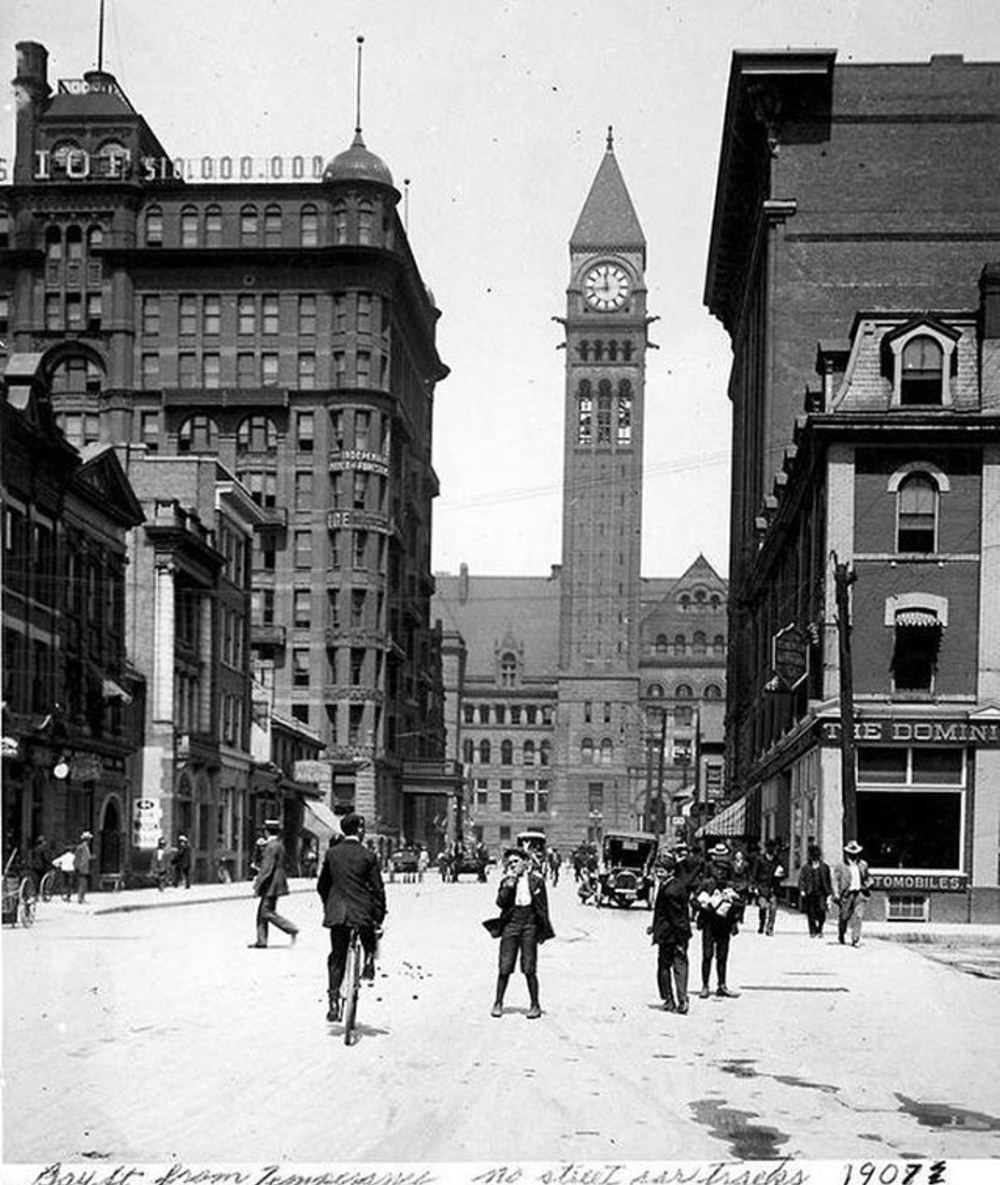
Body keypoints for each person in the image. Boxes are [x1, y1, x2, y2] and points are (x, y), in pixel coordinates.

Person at [317, 812, 386, 1022]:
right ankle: (368, 961)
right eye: (363, 829)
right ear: (359, 830)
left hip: (337, 910)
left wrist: (328, 905)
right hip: (361, 910)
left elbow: (322, 885)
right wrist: (379, 915)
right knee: (369, 932)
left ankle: (333, 1001)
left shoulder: (332, 854)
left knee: (336, 956)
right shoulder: (368, 856)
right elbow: (377, 889)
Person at [488, 846, 554, 1019]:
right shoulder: (506, 881)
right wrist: (508, 886)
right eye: (510, 862)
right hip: (511, 923)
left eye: (516, 861)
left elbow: (542, 908)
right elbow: (500, 903)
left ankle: (535, 1005)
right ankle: (498, 1002)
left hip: (529, 924)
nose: (513, 865)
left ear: (526, 863)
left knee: (529, 967)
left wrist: (543, 931)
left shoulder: (536, 881)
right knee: (505, 965)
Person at [694, 842, 743, 999]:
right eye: (717, 868)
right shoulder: (706, 884)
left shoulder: (730, 885)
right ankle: (705, 985)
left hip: (725, 923)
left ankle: (721, 985)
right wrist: (705, 905)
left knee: (722, 955)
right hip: (709, 922)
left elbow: (740, 902)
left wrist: (733, 907)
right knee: (707, 954)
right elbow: (694, 901)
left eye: (723, 869)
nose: (720, 872)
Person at [648, 850, 691, 1013]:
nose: (658, 874)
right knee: (680, 967)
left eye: (662, 871)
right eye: (657, 871)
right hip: (677, 933)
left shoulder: (669, 891)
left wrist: (679, 939)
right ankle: (682, 998)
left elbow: (676, 917)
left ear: (671, 871)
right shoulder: (676, 885)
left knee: (665, 967)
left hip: (670, 936)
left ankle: (669, 999)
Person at [249, 819, 299, 948]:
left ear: (266, 831)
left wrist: (257, 885)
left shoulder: (271, 846)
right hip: (276, 882)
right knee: (262, 912)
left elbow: (267, 868)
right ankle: (261, 940)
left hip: (271, 883)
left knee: (266, 912)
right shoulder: (278, 844)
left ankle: (291, 928)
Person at [833, 839, 872, 947]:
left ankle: (855, 938)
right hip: (846, 894)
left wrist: (869, 883)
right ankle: (841, 933)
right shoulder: (841, 866)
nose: (853, 855)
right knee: (844, 916)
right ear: (847, 853)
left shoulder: (863, 864)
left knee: (858, 915)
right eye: (851, 853)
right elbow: (835, 880)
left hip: (859, 893)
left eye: (855, 853)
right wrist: (836, 893)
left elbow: (868, 877)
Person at [798, 844, 834, 937]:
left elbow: (828, 880)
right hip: (810, 893)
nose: (815, 858)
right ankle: (812, 930)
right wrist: (802, 890)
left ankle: (820, 928)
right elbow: (802, 879)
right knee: (811, 912)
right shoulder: (806, 867)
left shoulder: (824, 867)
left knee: (822, 910)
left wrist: (830, 893)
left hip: (821, 892)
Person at [753, 839, 784, 936]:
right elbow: (755, 873)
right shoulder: (760, 859)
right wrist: (755, 887)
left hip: (773, 887)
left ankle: (770, 928)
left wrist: (780, 874)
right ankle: (762, 924)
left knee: (773, 908)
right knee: (763, 907)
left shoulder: (777, 860)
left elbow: (782, 873)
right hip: (762, 886)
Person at [73, 830, 93, 903]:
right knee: (82, 883)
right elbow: (77, 857)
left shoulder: (86, 847)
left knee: (84, 883)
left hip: (86, 867)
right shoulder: (81, 847)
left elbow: (87, 857)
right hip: (82, 867)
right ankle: (80, 898)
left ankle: (82, 897)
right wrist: (77, 866)